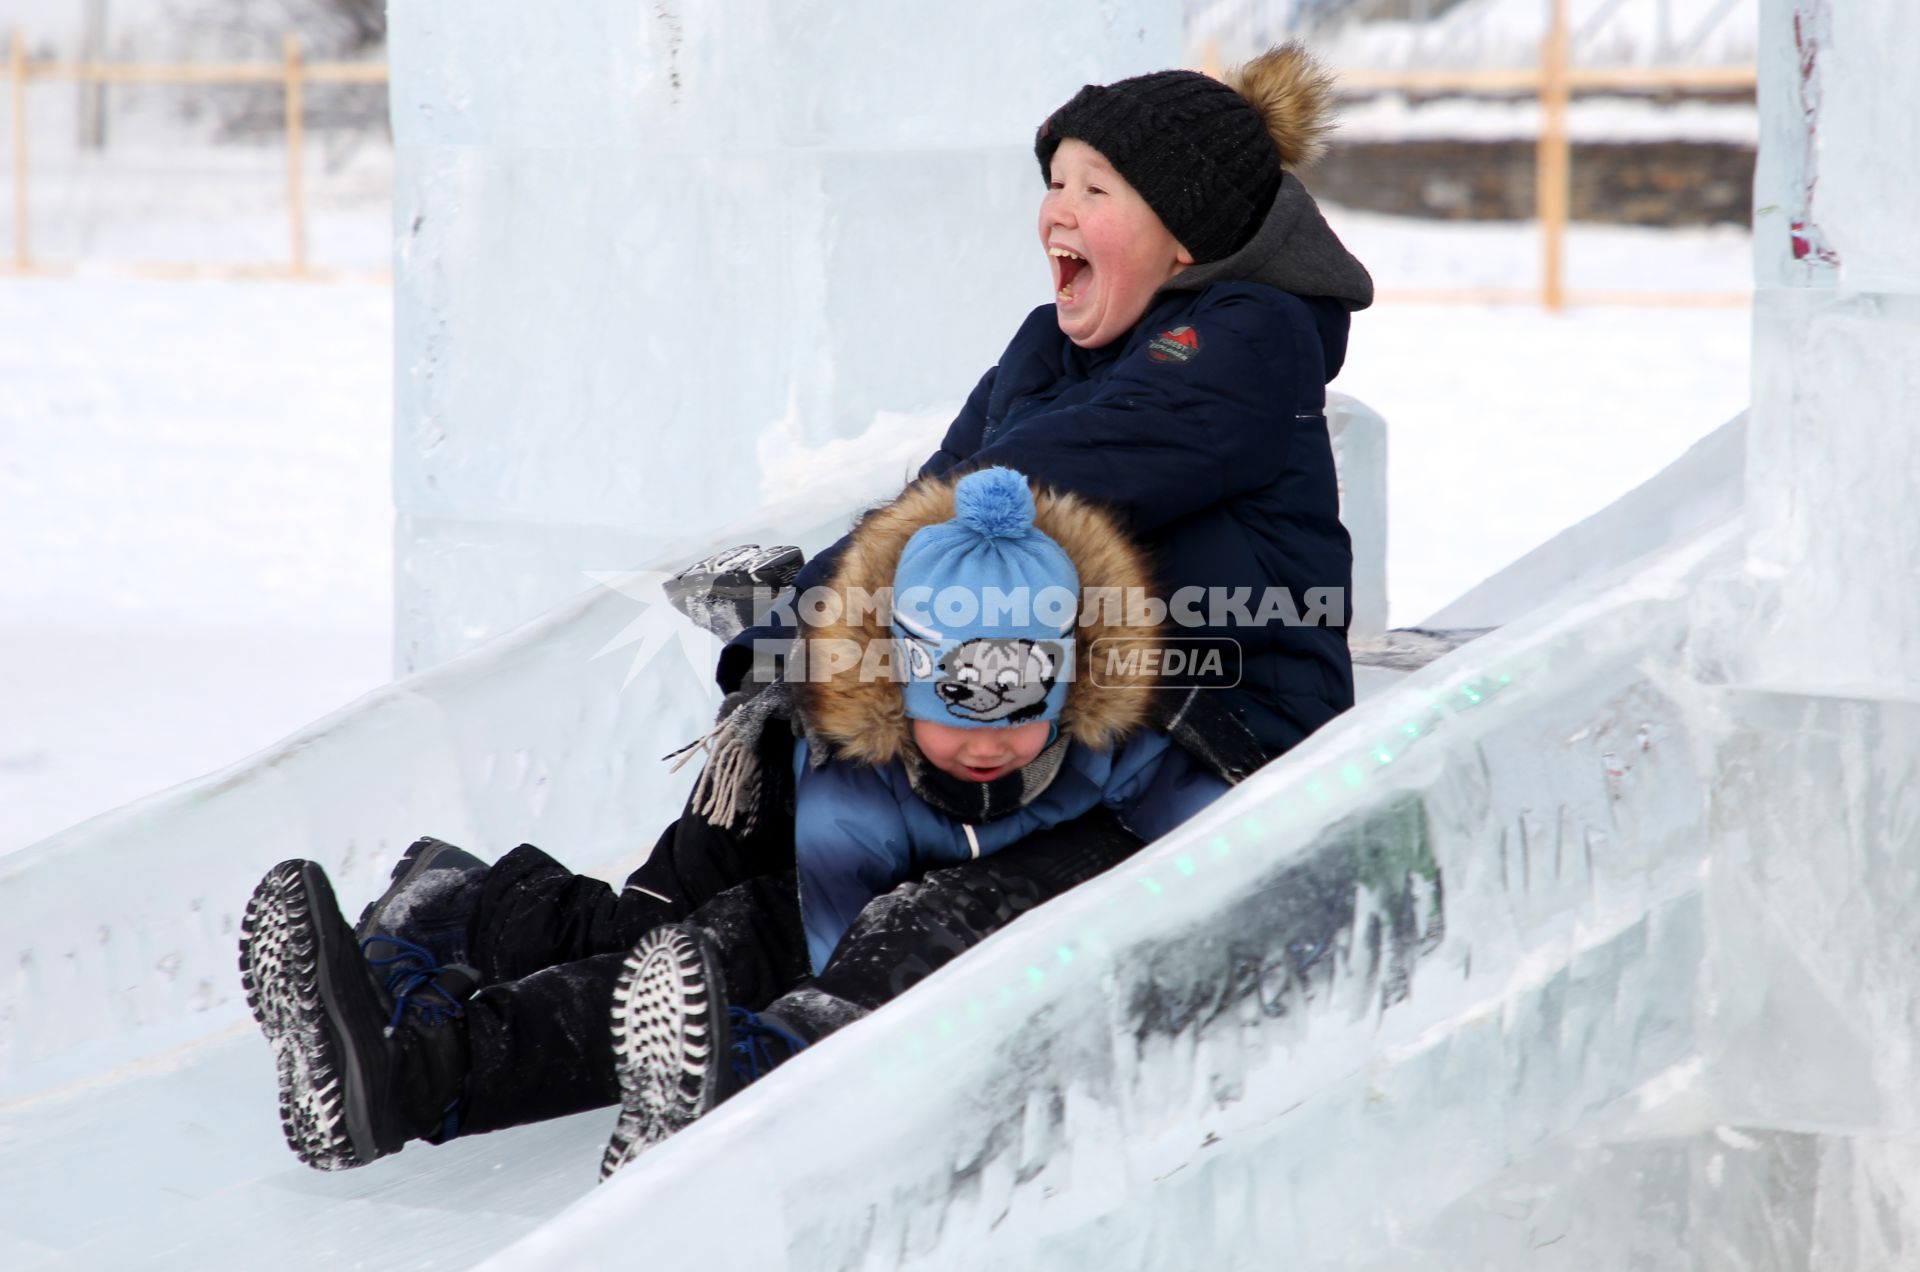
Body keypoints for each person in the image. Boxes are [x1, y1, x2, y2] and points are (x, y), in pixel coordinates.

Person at [236, 41, 1370, 1174]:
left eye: (1094, 190)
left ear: (1185, 235)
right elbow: (931, 499)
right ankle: (411, 1065)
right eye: (1053, 183)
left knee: (911, 926)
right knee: (740, 924)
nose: (1055, 212)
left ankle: (732, 1080)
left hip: (1199, 757)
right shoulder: (1049, 348)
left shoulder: (1245, 340)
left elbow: (1034, 485)